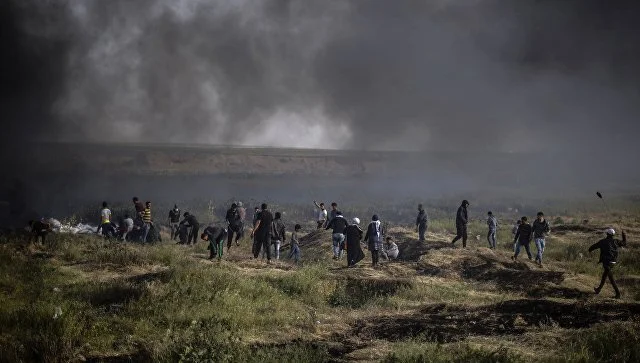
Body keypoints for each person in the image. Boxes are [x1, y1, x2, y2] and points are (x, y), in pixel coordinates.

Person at [589, 228, 627, 299]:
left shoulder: (602, 241)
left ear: (607, 234)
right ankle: (598, 289)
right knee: (604, 275)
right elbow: (624, 243)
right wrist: (624, 235)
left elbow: (594, 246)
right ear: (613, 235)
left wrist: (589, 250)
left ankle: (618, 294)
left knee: (611, 279)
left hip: (606, 262)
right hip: (613, 262)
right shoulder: (616, 241)